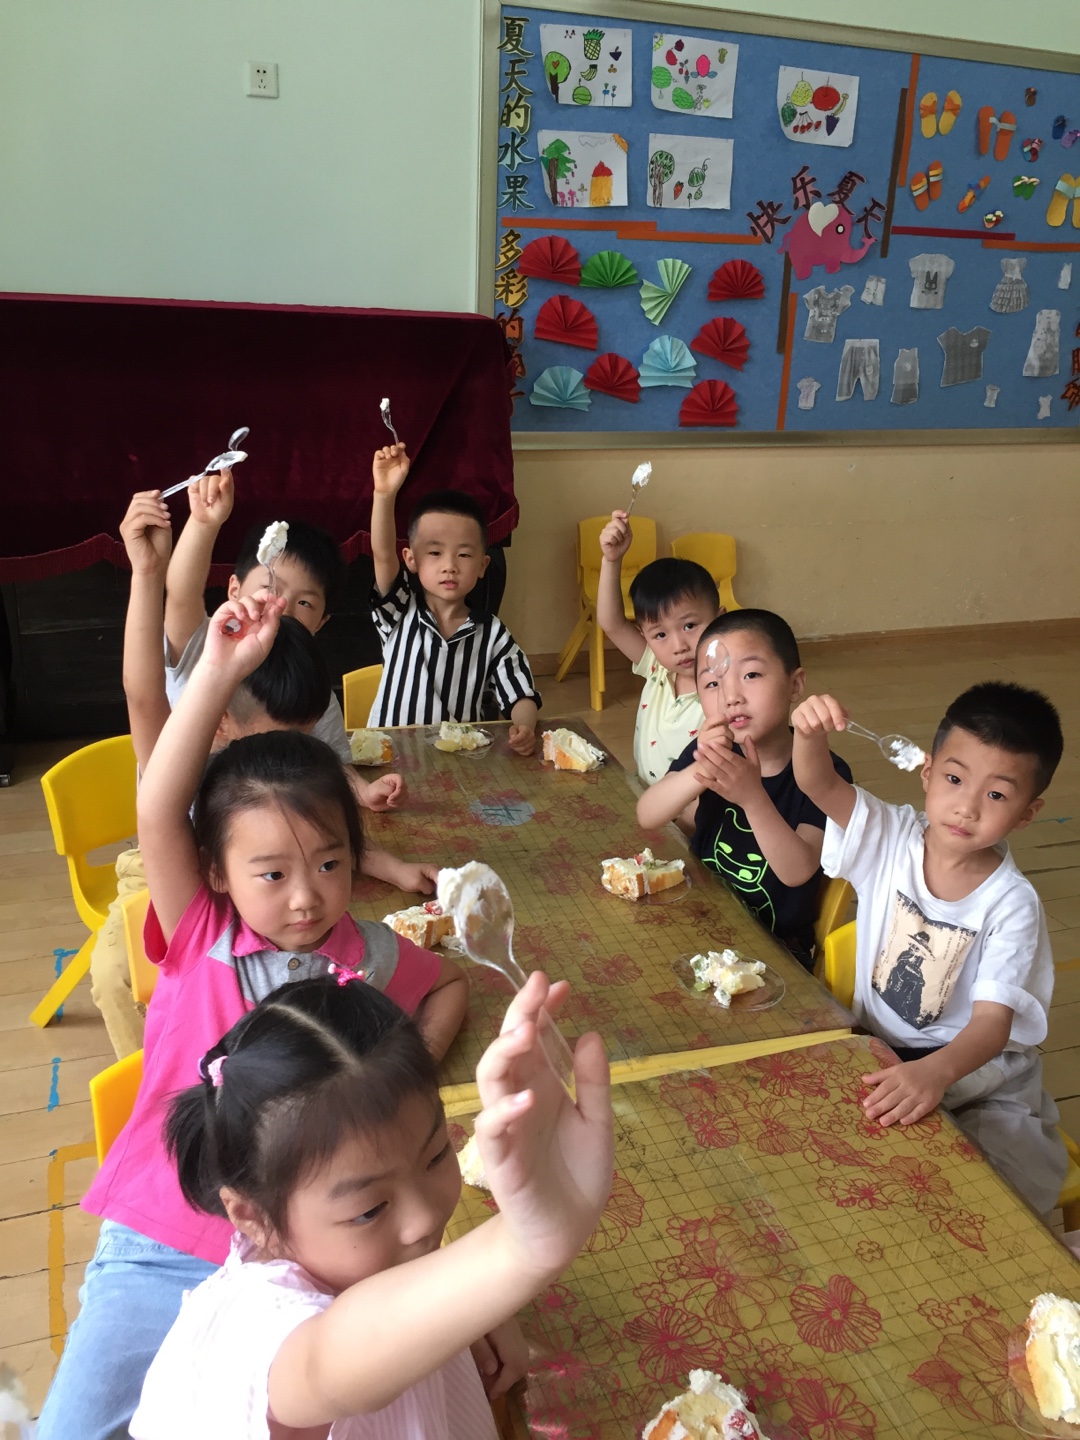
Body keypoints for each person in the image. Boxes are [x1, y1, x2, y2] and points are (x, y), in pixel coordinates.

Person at [37, 592, 468, 1440]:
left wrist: (398, 1068)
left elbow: (448, 985)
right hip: (164, 1239)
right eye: (272, 873)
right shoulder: (201, 931)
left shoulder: (368, 955)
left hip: (307, 1255)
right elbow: (157, 808)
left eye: (330, 864)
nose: (306, 897)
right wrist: (217, 673)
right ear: (218, 872)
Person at [129, 970, 613, 1438]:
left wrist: (481, 1305)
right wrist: (518, 1251)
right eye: (369, 1209)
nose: (425, 1219)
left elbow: (400, 1312)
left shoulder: (375, 1254)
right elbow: (331, 1363)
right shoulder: (257, 1330)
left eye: (436, 1155)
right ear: (252, 1217)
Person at [90, 492, 434, 1061]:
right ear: (223, 721)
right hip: (172, 880)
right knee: (124, 976)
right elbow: (144, 695)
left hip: (260, 899)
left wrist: (392, 867)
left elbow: (312, 834)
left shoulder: (295, 765)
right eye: (274, 744)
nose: (289, 765)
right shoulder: (185, 772)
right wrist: (147, 574)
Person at [791, 680, 1068, 1215]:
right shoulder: (889, 836)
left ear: (1027, 813)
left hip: (980, 1077)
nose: (966, 807)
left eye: (996, 795)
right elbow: (817, 781)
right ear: (926, 772)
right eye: (954, 779)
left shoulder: (1012, 904)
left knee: (989, 1196)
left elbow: (991, 1026)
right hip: (880, 1050)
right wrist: (808, 733)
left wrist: (935, 1073)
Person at [164, 468, 403, 811]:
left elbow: (329, 759)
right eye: (269, 588)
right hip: (190, 828)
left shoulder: (307, 682)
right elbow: (181, 597)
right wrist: (204, 524)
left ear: (321, 623)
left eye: (304, 603)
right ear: (234, 590)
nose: (282, 608)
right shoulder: (203, 650)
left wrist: (362, 792)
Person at [637, 611, 851, 969]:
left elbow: (798, 870)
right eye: (712, 683)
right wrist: (701, 769)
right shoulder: (711, 752)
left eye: (751, 675)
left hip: (773, 953)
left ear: (795, 684)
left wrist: (752, 798)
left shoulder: (824, 773)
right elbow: (648, 814)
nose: (731, 696)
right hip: (700, 920)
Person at [367, 444, 540, 752]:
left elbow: (520, 693)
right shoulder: (399, 612)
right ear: (410, 559)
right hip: (389, 756)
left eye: (464, 554)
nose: (449, 565)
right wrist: (384, 495)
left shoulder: (492, 633)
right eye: (435, 552)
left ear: (482, 565)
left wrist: (524, 726)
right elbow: (382, 555)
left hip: (459, 762)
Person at [596, 509, 720, 785]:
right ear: (646, 636)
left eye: (690, 626)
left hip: (695, 806)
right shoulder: (657, 667)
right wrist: (611, 561)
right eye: (660, 634)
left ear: (720, 619)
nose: (679, 646)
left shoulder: (727, 691)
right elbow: (611, 623)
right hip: (648, 797)